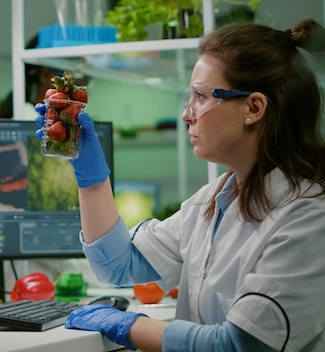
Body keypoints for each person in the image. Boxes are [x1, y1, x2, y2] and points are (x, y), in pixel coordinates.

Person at [35, 19, 325, 351]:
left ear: (253, 108)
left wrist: (129, 325)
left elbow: (237, 345)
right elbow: (117, 264)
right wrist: (92, 178)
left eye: (200, 96)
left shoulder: (309, 218)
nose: (187, 114)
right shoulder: (213, 201)